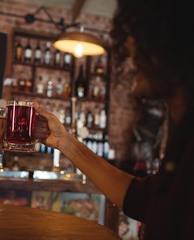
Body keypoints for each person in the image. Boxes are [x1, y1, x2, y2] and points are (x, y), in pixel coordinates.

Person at [33, 0, 194, 239]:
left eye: (142, 32)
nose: (129, 45)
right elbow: (141, 199)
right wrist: (64, 141)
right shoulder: (183, 134)